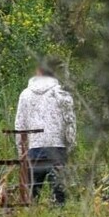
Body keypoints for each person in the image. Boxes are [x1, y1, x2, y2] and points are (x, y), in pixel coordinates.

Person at [15, 59, 76, 205]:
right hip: (57, 148)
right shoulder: (62, 93)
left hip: (33, 149)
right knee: (59, 196)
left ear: (38, 72)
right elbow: (70, 123)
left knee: (31, 196)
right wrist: (70, 146)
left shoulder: (25, 95)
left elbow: (20, 126)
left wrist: (21, 152)